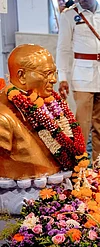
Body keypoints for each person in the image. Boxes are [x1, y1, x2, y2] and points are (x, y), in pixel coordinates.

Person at [56, 0, 100, 162]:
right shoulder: (69, 15)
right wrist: (62, 77)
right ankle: (78, 166)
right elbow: (63, 49)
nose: (82, 0)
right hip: (83, 78)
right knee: (81, 126)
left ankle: (98, 165)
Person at [0, 44, 61, 179]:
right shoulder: (3, 118)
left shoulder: (47, 103)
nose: (54, 79)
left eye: (54, 72)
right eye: (46, 73)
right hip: (23, 190)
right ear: (21, 76)